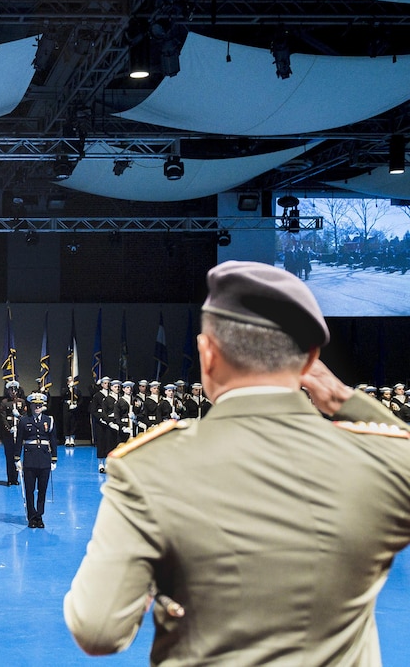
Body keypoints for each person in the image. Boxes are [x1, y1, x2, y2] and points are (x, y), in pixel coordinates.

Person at [64, 260, 407, 664]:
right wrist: (346, 401)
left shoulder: (149, 469)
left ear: (206, 355)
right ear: (311, 358)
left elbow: (98, 629)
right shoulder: (382, 462)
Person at [15, 391, 57, 528]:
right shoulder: (24, 421)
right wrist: (17, 458)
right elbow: (19, 440)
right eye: (35, 405)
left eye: (40, 405)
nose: (37, 407)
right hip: (30, 459)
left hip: (44, 458)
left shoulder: (48, 420)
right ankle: (31, 517)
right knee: (29, 489)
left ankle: (39, 516)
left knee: (42, 489)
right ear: (31, 406)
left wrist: (54, 459)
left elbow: (53, 440)